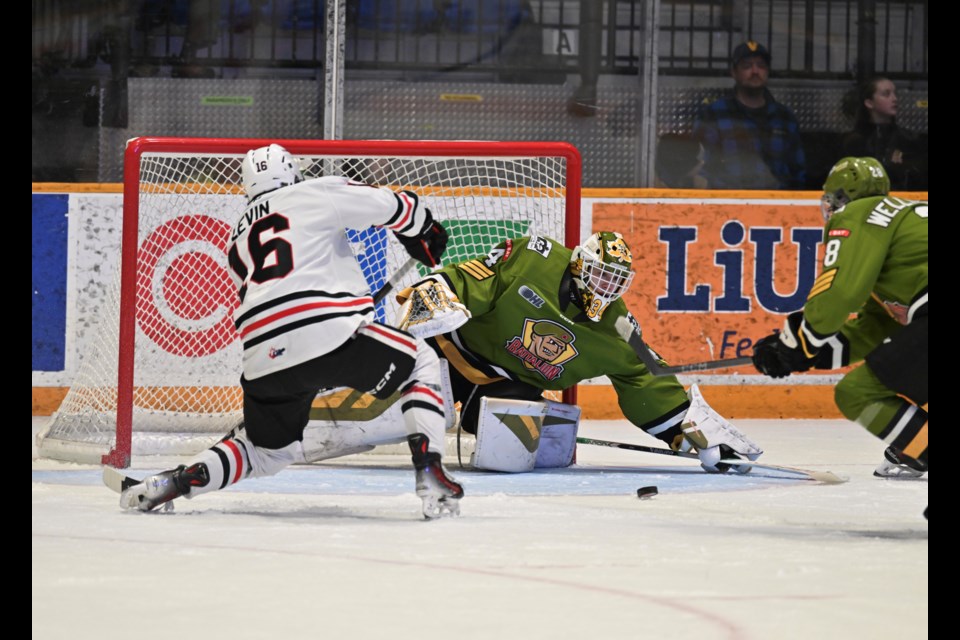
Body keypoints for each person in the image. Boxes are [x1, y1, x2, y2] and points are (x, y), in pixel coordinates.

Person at [118, 143, 464, 519]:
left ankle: (176, 482)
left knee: (265, 452)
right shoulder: (314, 191)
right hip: (330, 334)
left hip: (263, 359)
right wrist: (422, 229)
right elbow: (394, 205)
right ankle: (429, 468)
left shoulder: (237, 235)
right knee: (421, 363)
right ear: (292, 173)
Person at [393, 231, 763, 474]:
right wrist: (437, 292)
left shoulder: (618, 328)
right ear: (580, 264)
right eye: (601, 275)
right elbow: (470, 278)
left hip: (508, 385)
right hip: (453, 350)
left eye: (616, 282)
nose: (606, 288)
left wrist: (689, 431)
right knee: (410, 411)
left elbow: (644, 377)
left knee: (511, 451)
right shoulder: (534, 260)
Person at [751, 158, 928, 514]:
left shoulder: (861, 213)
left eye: (831, 200)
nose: (829, 208)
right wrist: (805, 354)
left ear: (844, 198)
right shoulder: (904, 221)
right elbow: (872, 331)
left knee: (857, 393)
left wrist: (794, 343)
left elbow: (840, 293)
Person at [691, 41, 806, 190]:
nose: (755, 71)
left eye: (761, 65)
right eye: (746, 66)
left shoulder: (784, 118)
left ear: (767, 71)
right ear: (734, 72)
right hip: (727, 206)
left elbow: (798, 173)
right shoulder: (713, 115)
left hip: (778, 206)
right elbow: (702, 169)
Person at [840, 76, 928, 191]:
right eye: (886, 94)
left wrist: (905, 165)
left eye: (895, 94)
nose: (894, 98)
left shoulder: (908, 139)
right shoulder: (854, 141)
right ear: (869, 103)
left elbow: (919, 177)